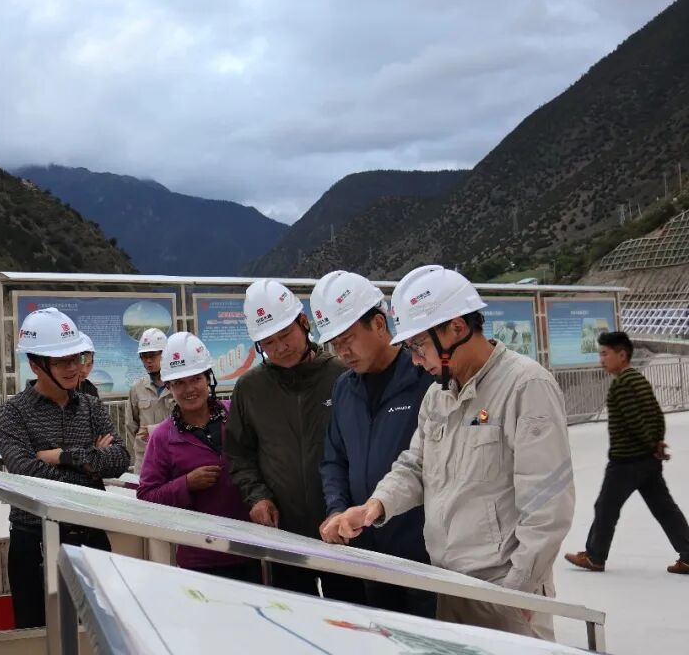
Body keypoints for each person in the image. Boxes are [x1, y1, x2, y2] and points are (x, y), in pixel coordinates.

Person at [332, 265, 574, 641]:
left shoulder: (525, 386)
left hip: (504, 590)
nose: (415, 360)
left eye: (419, 346)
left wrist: (519, 589)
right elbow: (415, 466)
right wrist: (375, 506)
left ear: (457, 328)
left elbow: (547, 503)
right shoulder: (438, 395)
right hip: (447, 583)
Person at [224, 279, 361, 601]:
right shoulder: (250, 389)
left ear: (303, 322)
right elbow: (239, 455)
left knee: (352, 613)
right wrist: (257, 497)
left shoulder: (342, 376)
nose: (280, 347)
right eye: (268, 342)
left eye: (285, 334)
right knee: (293, 612)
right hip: (284, 533)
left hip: (343, 527)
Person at [0, 308, 131, 628]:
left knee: (101, 630)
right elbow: (26, 474)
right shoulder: (12, 413)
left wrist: (62, 456)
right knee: (36, 632)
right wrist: (91, 465)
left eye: (76, 358)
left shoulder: (90, 405)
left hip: (90, 533)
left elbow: (121, 459)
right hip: (34, 541)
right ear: (35, 365)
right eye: (61, 361)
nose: (73, 368)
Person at [312, 271, 436, 618]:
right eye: (335, 344)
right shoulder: (344, 389)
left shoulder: (425, 379)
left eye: (348, 339)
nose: (342, 352)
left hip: (426, 555)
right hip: (371, 555)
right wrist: (336, 509)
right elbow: (334, 460)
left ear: (379, 324)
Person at [137, 332, 261, 583]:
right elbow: (147, 495)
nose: (189, 389)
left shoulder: (236, 416)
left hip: (250, 549)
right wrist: (186, 484)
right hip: (199, 558)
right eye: (179, 383)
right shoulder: (163, 437)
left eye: (196, 379)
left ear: (208, 378)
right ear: (169, 387)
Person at [564, 331, 689, 575]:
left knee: (606, 507)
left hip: (626, 461)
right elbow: (656, 414)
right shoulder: (638, 379)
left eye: (605, 354)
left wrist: (651, 445)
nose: (602, 359)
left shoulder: (622, 384)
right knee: (664, 508)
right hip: (647, 461)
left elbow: (634, 422)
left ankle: (595, 556)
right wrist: (657, 443)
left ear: (622, 355)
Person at [126, 328, 176, 472]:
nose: (148, 361)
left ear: (165, 354)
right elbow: (131, 425)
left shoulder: (178, 386)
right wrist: (142, 447)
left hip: (174, 455)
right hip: (145, 459)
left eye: (153, 355)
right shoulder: (137, 389)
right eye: (143, 356)